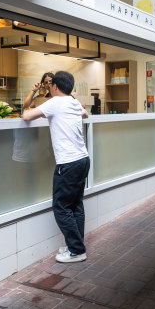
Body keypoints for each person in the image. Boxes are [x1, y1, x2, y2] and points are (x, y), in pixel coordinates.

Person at [22, 71, 90, 263]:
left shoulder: (54, 103)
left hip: (68, 162)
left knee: (61, 207)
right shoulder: (74, 103)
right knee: (76, 204)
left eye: (50, 85)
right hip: (83, 159)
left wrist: (34, 96)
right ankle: (75, 245)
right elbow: (85, 114)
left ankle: (76, 250)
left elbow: (26, 115)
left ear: (54, 87)